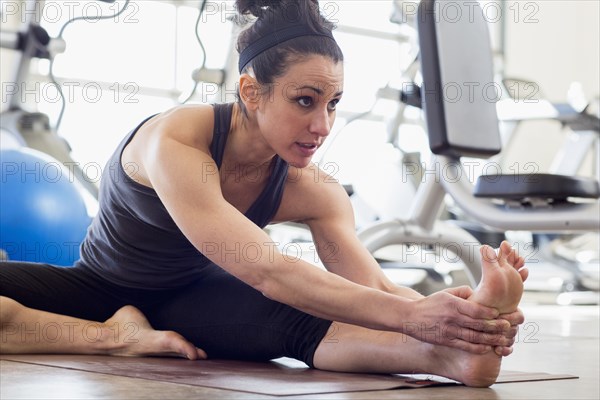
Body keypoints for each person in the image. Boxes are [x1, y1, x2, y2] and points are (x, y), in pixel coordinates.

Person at [0, 0, 528, 387]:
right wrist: (417, 317)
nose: (323, 124)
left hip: (192, 298)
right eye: (305, 100)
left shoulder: (313, 191)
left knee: (301, 320)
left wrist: (463, 326)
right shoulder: (176, 140)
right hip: (96, 289)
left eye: (333, 103)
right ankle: (117, 336)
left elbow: (374, 288)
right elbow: (266, 269)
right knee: (285, 289)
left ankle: (445, 362)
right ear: (251, 92)